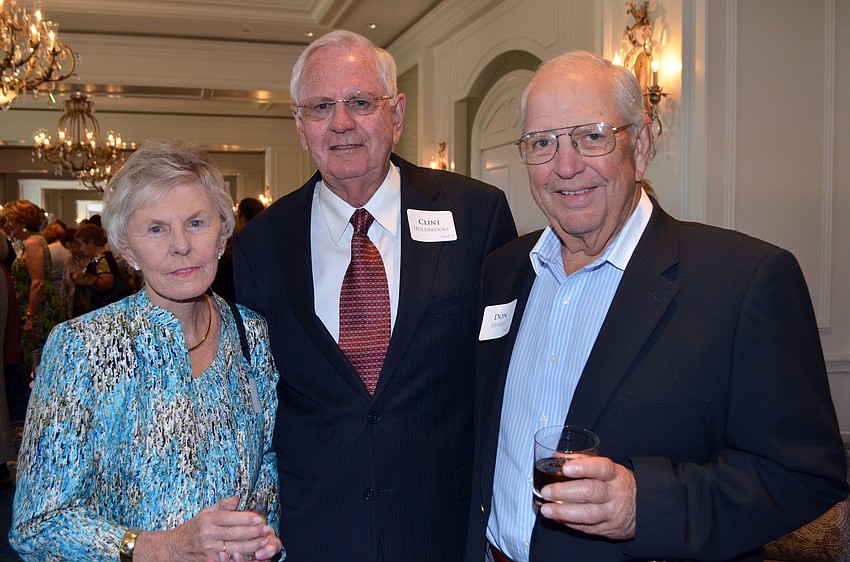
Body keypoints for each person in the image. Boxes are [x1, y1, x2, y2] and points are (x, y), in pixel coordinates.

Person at [464, 50, 848, 562]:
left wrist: (646, 506)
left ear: (640, 146)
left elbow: (804, 475)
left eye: (592, 136)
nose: (566, 165)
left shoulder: (744, 281)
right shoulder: (503, 270)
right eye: (543, 142)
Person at [233, 29, 516, 562]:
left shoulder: (476, 214)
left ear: (396, 113)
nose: (341, 122)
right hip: (315, 531)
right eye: (321, 106)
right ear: (300, 125)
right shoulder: (260, 244)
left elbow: (504, 373)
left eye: (360, 102)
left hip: (443, 526)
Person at [10, 139, 284, 562]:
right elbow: (37, 526)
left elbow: (267, 458)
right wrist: (164, 547)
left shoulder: (251, 331)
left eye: (197, 223)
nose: (181, 245)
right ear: (126, 248)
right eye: (155, 229)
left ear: (223, 232)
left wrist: (257, 528)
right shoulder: (83, 346)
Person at [0, 200, 62, 369]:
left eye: (10, 221)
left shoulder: (33, 242)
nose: (7, 225)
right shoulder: (31, 241)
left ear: (22, 222)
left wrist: (29, 316)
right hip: (37, 309)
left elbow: (38, 282)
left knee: (38, 361)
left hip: (40, 311)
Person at [71, 224, 132, 315]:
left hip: (106, 309)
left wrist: (82, 277)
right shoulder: (99, 259)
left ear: (91, 242)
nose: (82, 249)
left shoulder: (102, 259)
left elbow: (106, 282)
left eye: (83, 244)